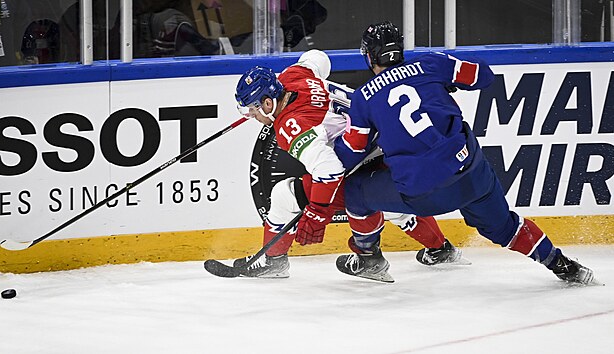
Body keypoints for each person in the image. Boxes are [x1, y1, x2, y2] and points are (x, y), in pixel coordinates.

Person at [333, 21, 597, 285]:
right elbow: (483, 75)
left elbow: (352, 152)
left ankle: (369, 258)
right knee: (505, 227)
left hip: (424, 194)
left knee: (355, 191)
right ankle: (563, 265)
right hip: (472, 176)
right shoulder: (431, 64)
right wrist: (448, 75)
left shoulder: (364, 98)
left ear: (369, 55)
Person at [233, 49, 467, 282]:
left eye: (253, 110)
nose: (252, 116)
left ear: (267, 103)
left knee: (287, 195)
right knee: (391, 203)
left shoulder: (291, 126)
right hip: (395, 141)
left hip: (373, 153)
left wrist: (317, 213)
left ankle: (274, 261)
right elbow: (317, 58)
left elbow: (329, 171)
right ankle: (441, 250)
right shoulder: (293, 76)